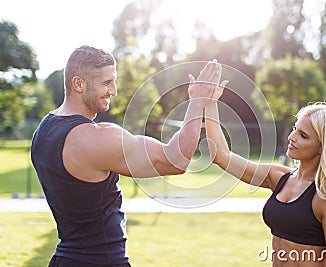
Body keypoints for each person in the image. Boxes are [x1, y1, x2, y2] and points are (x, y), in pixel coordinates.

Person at [31, 45, 221, 267]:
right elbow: (176, 160)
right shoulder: (97, 138)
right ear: (78, 84)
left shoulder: (43, 131)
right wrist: (197, 103)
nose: (114, 91)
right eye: (106, 83)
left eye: (114, 81)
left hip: (64, 260)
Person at [205, 84, 326, 266]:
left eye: (303, 135)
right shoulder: (279, 177)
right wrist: (210, 103)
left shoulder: (325, 197)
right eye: (295, 129)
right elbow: (221, 157)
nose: (291, 137)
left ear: (323, 147)